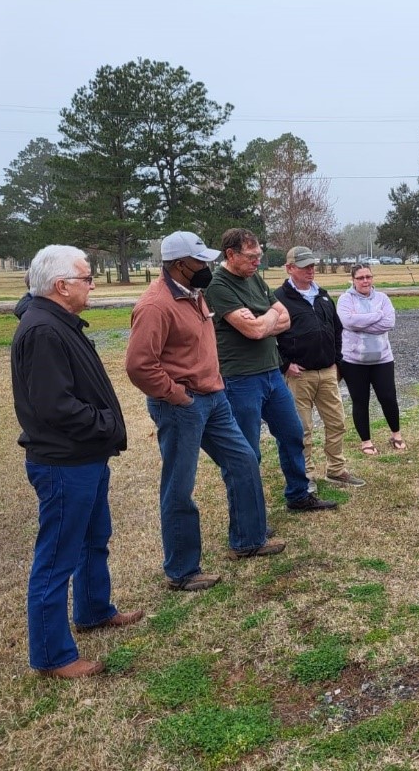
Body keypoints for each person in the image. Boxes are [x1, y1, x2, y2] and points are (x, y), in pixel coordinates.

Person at [11, 245, 143, 679]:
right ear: (61, 285)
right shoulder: (43, 331)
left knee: (93, 537)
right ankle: (52, 656)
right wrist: (104, 423)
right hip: (64, 463)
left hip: (85, 457)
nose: (93, 285)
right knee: (56, 557)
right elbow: (54, 406)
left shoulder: (58, 322)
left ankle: (94, 609)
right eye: (87, 278)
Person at [126, 230, 283, 593]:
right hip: (183, 406)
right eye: (200, 261)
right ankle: (182, 570)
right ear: (179, 265)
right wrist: (176, 395)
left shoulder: (194, 293)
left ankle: (248, 540)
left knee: (243, 460)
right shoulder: (155, 305)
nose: (207, 266)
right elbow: (138, 365)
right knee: (180, 486)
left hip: (215, 398)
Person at [204, 229, 337, 510]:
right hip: (240, 378)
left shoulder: (255, 278)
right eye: (251, 257)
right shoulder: (218, 286)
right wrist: (268, 318)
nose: (257, 262)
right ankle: (251, 517)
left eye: (259, 256)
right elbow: (252, 330)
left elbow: (284, 319)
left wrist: (264, 319)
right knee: (247, 451)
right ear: (231, 254)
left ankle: (299, 494)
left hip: (271, 373)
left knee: (292, 432)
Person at [274, 247, 366, 489]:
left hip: (327, 372)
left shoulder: (323, 296)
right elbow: (269, 338)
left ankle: (336, 470)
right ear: (290, 268)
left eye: (312, 265)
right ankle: (305, 475)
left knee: (337, 422)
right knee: (301, 429)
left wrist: (337, 361)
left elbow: (337, 331)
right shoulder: (278, 299)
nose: (310, 270)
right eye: (304, 266)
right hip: (298, 376)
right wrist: (285, 365)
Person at [336, 264, 406, 455]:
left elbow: (389, 323)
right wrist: (376, 316)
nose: (365, 281)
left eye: (368, 276)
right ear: (353, 280)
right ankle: (366, 441)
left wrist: (360, 323)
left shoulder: (382, 298)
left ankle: (396, 435)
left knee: (388, 397)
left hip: (382, 358)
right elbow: (347, 322)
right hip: (353, 361)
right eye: (360, 278)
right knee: (360, 401)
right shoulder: (345, 299)